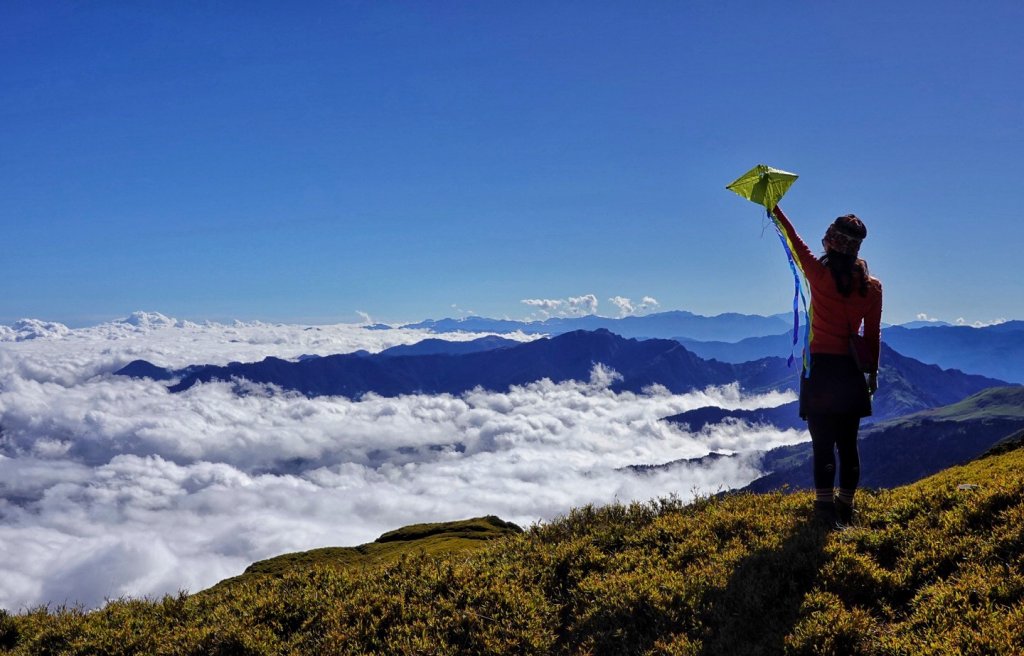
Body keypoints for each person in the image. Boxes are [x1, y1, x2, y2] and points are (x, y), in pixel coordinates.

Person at [772, 206, 883, 528]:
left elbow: (795, 241)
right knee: (848, 443)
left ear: (831, 242)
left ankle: (823, 510)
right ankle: (845, 507)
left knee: (822, 443)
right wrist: (871, 372)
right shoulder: (872, 287)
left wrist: (774, 207)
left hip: (820, 369)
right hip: (851, 372)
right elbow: (871, 334)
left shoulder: (818, 275)